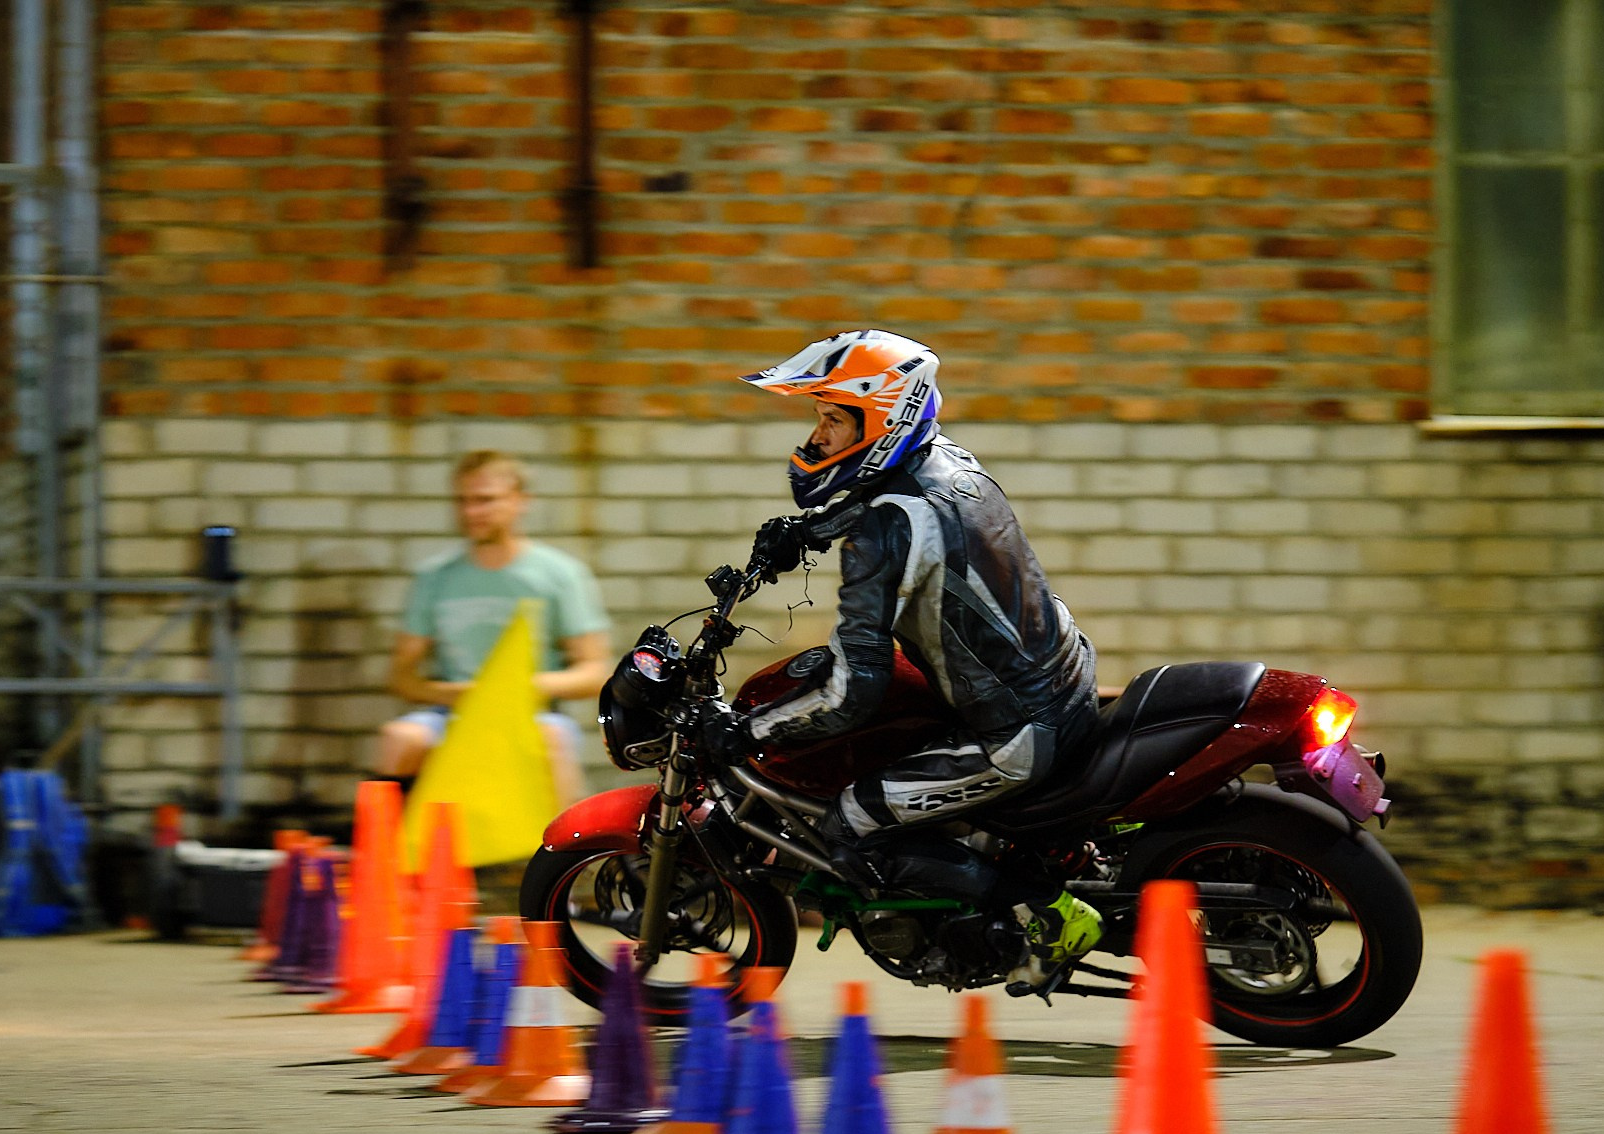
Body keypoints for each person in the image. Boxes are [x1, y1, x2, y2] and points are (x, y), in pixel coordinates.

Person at [702, 329, 1104, 970]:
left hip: (1017, 733)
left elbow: (852, 688)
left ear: (881, 420)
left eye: (835, 419)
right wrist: (809, 531)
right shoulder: (950, 464)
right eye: (819, 417)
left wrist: (748, 731)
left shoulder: (883, 533)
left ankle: (1046, 908)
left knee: (848, 822)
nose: (819, 436)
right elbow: (902, 505)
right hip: (1061, 679)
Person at [379, 450, 610, 804]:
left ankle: (566, 857)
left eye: (485, 501)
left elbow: (595, 671)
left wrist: (514, 688)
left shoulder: (559, 575)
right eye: (463, 501)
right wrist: (452, 693)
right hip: (453, 712)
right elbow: (402, 675)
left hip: (532, 713)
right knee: (400, 738)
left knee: (552, 741)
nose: (471, 512)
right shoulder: (435, 578)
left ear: (521, 501)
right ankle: (402, 856)